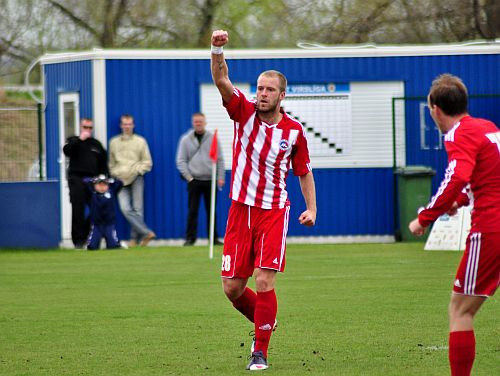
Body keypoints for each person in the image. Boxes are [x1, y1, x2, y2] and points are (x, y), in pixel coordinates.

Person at [211, 30, 317, 371]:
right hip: (240, 210)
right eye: (259, 88)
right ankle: (265, 322)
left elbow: (303, 172)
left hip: (274, 211)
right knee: (232, 288)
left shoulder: (294, 132)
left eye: (269, 89)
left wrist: (311, 208)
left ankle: (260, 350)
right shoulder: (242, 112)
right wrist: (216, 49)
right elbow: (222, 79)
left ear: (282, 95)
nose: (262, 94)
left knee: (264, 280)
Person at [408, 74, 499, 376]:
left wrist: (425, 217)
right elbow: (482, 177)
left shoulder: (457, 134)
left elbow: (457, 176)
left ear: (434, 109)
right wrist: (459, 201)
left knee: (460, 310)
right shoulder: (487, 127)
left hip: (492, 227)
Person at [176, 112, 225, 246]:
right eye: (196, 121)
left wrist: (220, 177)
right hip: (194, 180)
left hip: (210, 179)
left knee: (212, 211)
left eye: (201, 121)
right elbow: (181, 160)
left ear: (205, 122)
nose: (198, 124)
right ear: (193, 123)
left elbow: (219, 159)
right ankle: (190, 238)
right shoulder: (185, 139)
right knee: (192, 210)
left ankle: (213, 238)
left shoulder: (212, 138)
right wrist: (189, 177)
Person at [109, 114, 155, 247]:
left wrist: (137, 171)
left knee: (137, 209)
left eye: (129, 124)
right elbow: (111, 163)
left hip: (136, 178)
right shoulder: (114, 142)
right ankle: (147, 232)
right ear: (121, 125)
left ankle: (134, 240)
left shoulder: (140, 141)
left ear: (133, 125)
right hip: (120, 180)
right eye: (125, 124)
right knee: (125, 208)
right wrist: (115, 173)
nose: (127, 126)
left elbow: (147, 162)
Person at [63, 118, 109, 248]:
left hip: (93, 180)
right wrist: (79, 140)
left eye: (90, 128)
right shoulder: (73, 140)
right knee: (78, 209)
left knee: (95, 208)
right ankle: (78, 241)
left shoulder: (96, 144)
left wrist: (103, 179)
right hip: (76, 178)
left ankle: (89, 236)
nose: (88, 130)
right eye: (85, 127)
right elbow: (67, 151)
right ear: (80, 127)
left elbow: (103, 163)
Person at [84, 174, 123, 250]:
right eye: (99, 185)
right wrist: (92, 180)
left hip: (109, 224)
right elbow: (85, 181)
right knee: (92, 247)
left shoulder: (111, 192)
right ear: (95, 185)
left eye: (104, 185)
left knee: (113, 246)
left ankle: (117, 243)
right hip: (97, 225)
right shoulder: (92, 194)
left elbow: (120, 183)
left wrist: (112, 180)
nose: (102, 187)